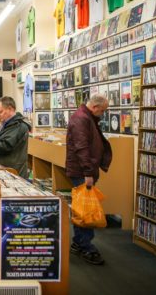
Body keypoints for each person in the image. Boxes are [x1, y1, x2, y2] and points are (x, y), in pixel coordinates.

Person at [66, 95, 112, 265]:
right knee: (86, 209)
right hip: (82, 171)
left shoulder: (85, 117)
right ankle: (85, 245)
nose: (103, 114)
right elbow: (81, 147)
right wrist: (88, 173)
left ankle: (79, 242)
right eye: (102, 110)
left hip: (84, 170)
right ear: (94, 107)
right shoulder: (81, 119)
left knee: (82, 207)